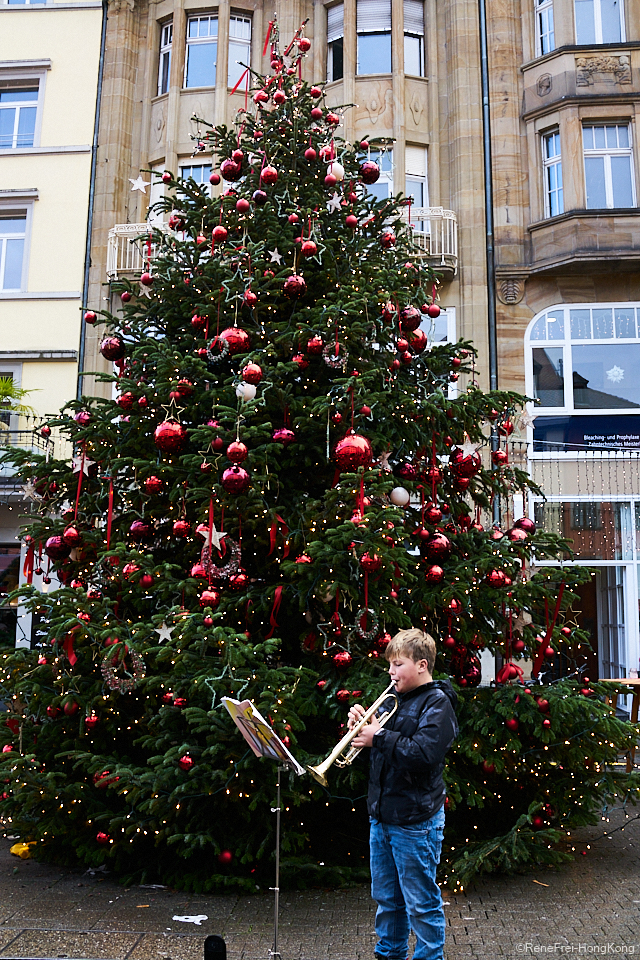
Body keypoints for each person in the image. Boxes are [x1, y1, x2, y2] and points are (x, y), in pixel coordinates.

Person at [348, 628, 458, 960]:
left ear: (422, 665)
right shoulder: (396, 702)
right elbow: (385, 755)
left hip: (415, 821)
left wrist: (378, 736)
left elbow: (424, 754)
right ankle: (389, 954)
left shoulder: (438, 704)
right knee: (388, 899)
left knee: (421, 903)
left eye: (398, 664)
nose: (391, 673)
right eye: (390, 666)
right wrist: (360, 729)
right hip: (383, 816)